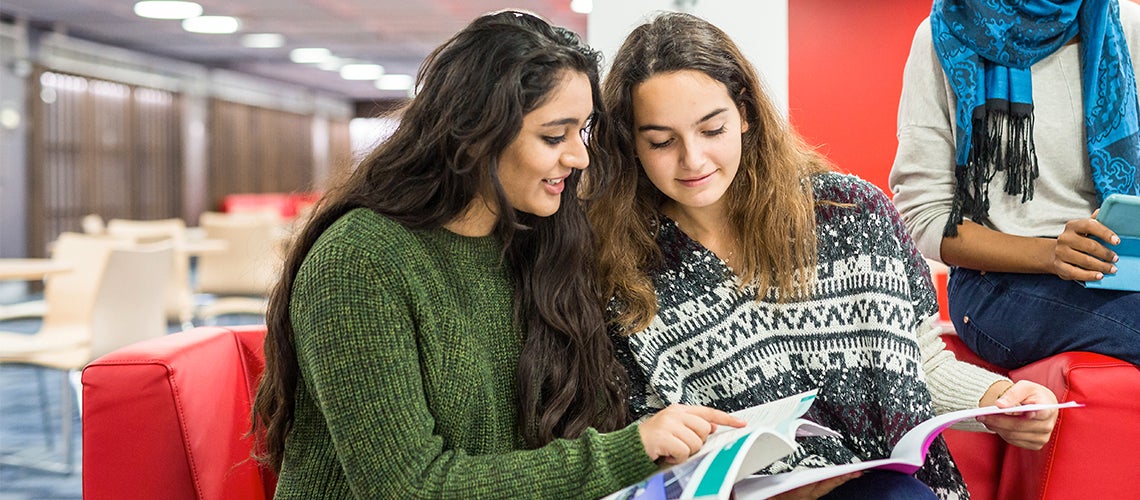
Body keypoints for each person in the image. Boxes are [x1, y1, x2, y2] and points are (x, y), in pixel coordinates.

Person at [249, 10, 745, 498]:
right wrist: (625, 451)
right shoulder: (360, 261)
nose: (579, 157)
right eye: (554, 136)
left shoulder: (538, 240)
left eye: (583, 131)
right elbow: (406, 487)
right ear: (476, 135)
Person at [588, 12, 1059, 499]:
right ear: (631, 144)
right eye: (662, 142)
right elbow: (640, 445)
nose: (693, 160)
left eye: (712, 130)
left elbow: (918, 364)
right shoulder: (620, 271)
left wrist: (999, 401)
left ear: (745, 114)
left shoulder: (851, 214)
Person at [890, 0, 1140, 370]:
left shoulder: (1126, 24)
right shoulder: (943, 34)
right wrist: (1052, 255)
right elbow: (924, 216)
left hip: (1121, 267)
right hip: (997, 284)